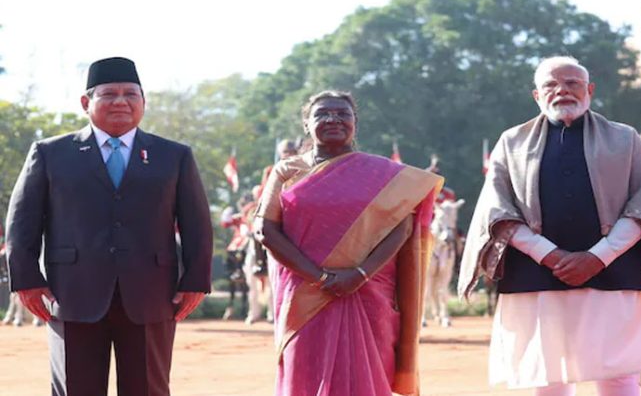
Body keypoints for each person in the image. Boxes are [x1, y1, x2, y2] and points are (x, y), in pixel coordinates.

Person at [458, 56, 641, 396]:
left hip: (614, 273)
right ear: (537, 95)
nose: (562, 91)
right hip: (537, 274)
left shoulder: (625, 139)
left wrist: (599, 256)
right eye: (551, 85)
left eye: (571, 83)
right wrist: (548, 255)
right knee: (550, 375)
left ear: (589, 90)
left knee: (619, 373)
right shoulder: (511, 143)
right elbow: (499, 211)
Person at [5, 57, 213, 396]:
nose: (121, 101)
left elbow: (197, 224)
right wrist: (26, 279)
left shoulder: (173, 155)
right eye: (109, 93)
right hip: (72, 293)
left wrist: (196, 281)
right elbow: (21, 222)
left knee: (148, 388)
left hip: (151, 293)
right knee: (76, 389)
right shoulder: (50, 153)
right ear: (86, 102)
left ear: (143, 102)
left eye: (131, 94)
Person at [254, 90, 442, 396]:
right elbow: (265, 229)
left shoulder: (383, 174)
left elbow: (402, 226)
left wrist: (360, 275)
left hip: (369, 292)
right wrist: (321, 278)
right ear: (306, 124)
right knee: (305, 369)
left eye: (343, 113)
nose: (333, 119)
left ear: (355, 122)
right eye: (322, 114)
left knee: (367, 375)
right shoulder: (287, 171)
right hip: (305, 294)